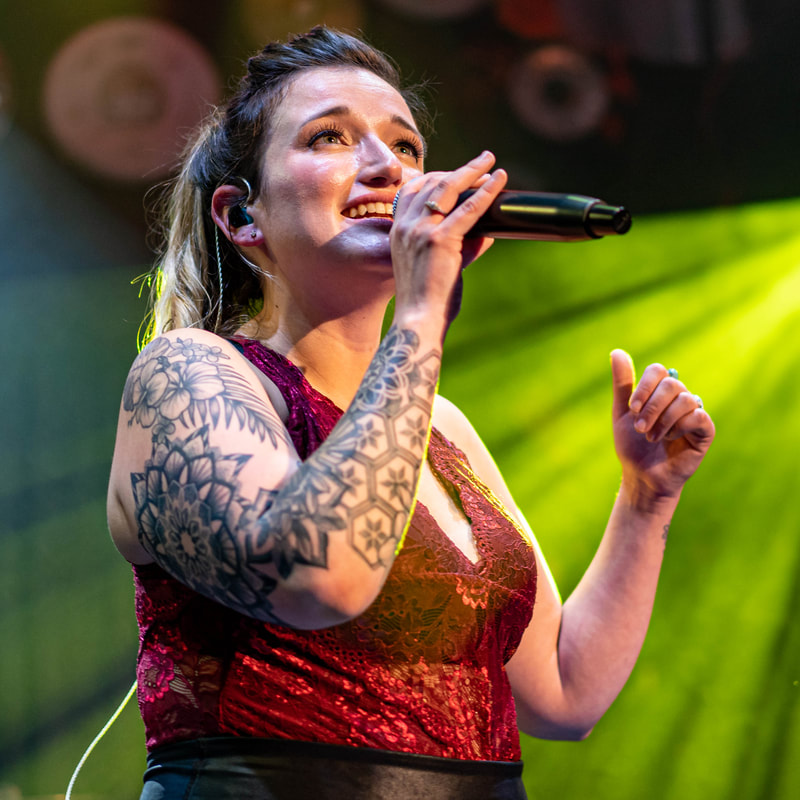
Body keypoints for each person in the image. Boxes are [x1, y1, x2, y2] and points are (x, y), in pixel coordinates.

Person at [107, 26, 715, 800]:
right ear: (241, 216)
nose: (385, 166)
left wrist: (646, 500)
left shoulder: (441, 427)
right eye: (330, 137)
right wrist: (422, 318)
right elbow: (316, 578)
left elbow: (565, 694)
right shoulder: (189, 372)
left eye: (406, 146)